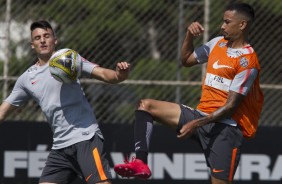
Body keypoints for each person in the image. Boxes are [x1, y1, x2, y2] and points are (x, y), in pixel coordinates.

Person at [114, 2, 264, 184]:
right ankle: (140, 163)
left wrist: (196, 123)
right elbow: (186, 60)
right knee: (146, 106)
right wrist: (189, 36)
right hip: (200, 116)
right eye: (222, 21)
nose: (222, 26)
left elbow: (231, 107)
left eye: (227, 22)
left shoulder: (247, 62)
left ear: (242, 25)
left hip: (225, 130)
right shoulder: (217, 43)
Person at [0, 20, 130, 184]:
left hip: (86, 138)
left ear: (55, 39)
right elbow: (3, 111)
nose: (42, 40)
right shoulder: (26, 79)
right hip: (60, 147)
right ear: (32, 44)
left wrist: (120, 75)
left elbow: (104, 74)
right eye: (37, 37)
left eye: (47, 36)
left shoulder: (69, 58)